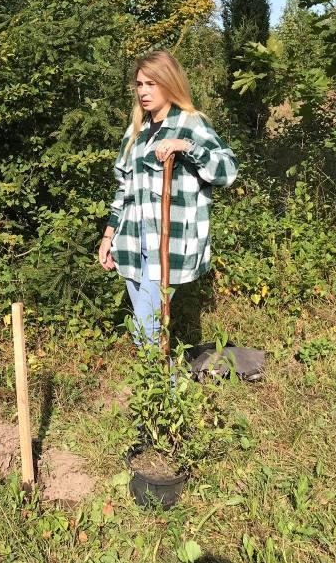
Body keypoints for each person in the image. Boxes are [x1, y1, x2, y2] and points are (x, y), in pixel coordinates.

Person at [98, 51, 238, 349]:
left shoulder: (191, 123)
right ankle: (162, 388)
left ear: (169, 83)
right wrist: (109, 235)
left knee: (145, 328)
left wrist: (186, 147)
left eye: (152, 83)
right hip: (133, 241)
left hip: (169, 242)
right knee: (145, 328)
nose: (144, 91)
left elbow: (228, 171)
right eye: (139, 84)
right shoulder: (135, 131)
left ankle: (167, 389)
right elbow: (124, 188)